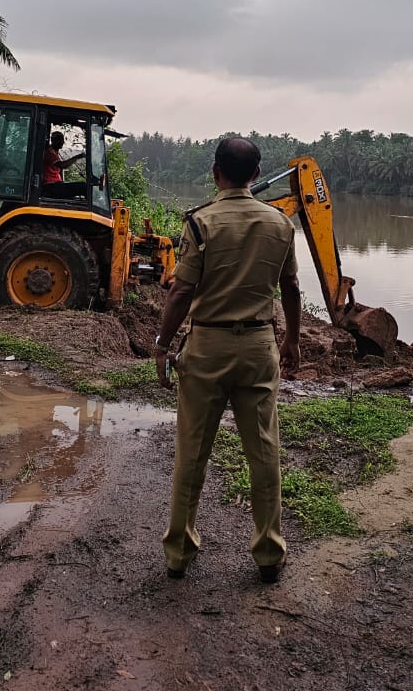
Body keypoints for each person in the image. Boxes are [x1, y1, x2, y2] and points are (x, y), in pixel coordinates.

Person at [154, 136, 301, 583]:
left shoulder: (200, 223)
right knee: (264, 451)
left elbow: (181, 290)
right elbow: (291, 289)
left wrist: (162, 344)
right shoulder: (279, 223)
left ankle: (179, 552)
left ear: (215, 171)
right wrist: (292, 340)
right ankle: (269, 553)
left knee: (192, 452)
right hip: (259, 347)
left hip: (207, 348)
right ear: (256, 176)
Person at [42, 130, 86, 199]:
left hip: (56, 185)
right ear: (54, 141)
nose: (62, 142)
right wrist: (77, 157)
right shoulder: (50, 153)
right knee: (84, 186)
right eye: (60, 140)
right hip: (51, 187)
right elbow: (63, 165)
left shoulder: (55, 153)